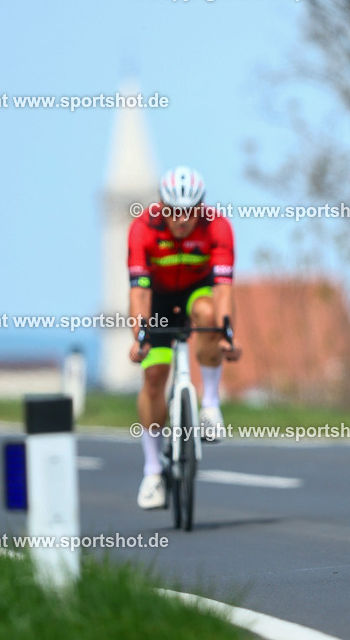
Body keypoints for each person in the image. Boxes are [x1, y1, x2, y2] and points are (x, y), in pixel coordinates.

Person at [127, 166, 240, 509]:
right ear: (162, 206)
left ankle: (210, 406)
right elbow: (139, 293)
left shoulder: (217, 226)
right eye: (174, 211)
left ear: (201, 207)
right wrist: (140, 337)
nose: (181, 220)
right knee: (153, 376)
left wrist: (227, 333)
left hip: (196, 291)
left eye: (189, 212)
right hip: (158, 298)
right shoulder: (143, 228)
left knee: (209, 316)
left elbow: (223, 289)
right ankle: (152, 471)